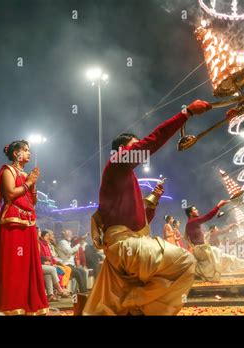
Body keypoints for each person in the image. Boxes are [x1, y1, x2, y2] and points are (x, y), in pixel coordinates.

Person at [83, 100, 212, 316]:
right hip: (126, 246)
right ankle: (133, 301)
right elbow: (151, 142)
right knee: (185, 261)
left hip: (131, 242)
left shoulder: (125, 174)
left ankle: (137, 306)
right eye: (135, 144)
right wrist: (186, 113)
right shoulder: (117, 162)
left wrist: (154, 200)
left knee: (167, 273)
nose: (139, 146)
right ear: (124, 149)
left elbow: (140, 222)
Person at [0, 140, 48, 315]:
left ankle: (29, 306)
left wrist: (33, 184)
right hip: (13, 222)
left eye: (29, 150)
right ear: (16, 153)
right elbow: (10, 194)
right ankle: (12, 306)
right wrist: (28, 182)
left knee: (29, 266)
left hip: (28, 222)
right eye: (26, 150)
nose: (29, 153)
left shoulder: (26, 174)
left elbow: (32, 202)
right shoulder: (8, 170)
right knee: (14, 265)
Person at [185, 204, 244, 282]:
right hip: (202, 250)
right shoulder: (193, 222)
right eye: (195, 209)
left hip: (202, 250)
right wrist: (218, 206)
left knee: (225, 259)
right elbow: (208, 217)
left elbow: (187, 237)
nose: (197, 210)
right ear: (190, 213)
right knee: (225, 259)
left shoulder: (190, 224)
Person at [39, 229, 70, 301]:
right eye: (47, 236)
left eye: (49, 236)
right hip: (40, 265)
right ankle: (60, 290)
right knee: (54, 270)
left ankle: (50, 295)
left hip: (48, 264)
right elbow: (39, 257)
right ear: (42, 237)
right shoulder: (40, 244)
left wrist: (54, 263)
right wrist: (45, 262)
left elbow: (51, 257)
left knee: (50, 274)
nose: (49, 237)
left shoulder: (46, 244)